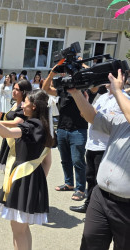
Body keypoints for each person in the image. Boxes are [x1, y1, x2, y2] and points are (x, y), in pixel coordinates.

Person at [0, 89, 53, 250]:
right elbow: (47, 162)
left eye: (25, 101)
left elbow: (6, 132)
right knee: (23, 229)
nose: (22, 105)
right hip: (31, 178)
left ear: (33, 106)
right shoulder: (43, 125)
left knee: (18, 230)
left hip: (23, 179)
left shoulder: (33, 125)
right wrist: (37, 183)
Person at [66, 69, 130, 250]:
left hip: (127, 207)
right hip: (101, 197)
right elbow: (92, 117)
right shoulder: (122, 119)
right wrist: (76, 93)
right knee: (89, 242)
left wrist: (118, 91)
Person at [70, 85, 130, 214]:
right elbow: (92, 115)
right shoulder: (102, 97)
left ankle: (99, 209)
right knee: (90, 177)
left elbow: (109, 120)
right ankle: (89, 205)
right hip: (92, 144)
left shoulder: (123, 98)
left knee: (100, 182)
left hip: (105, 145)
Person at [43, 66, 88, 201]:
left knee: (78, 161)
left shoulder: (83, 88)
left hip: (78, 129)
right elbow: (45, 89)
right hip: (62, 128)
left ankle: (80, 189)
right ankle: (69, 183)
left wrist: (80, 65)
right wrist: (52, 73)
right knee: (65, 160)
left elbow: (94, 84)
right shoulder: (62, 89)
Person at [0, 80, 31, 171]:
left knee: (11, 169)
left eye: (17, 89)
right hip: (9, 138)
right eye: (13, 88)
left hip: (16, 141)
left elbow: (16, 123)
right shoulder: (15, 104)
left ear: (24, 92)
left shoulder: (24, 107)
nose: (13, 91)